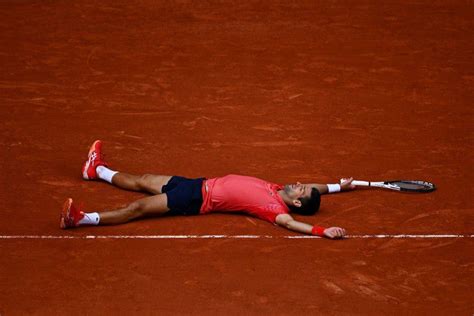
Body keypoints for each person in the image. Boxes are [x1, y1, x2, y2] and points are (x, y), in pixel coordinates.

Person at [60, 140, 356, 239]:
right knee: (142, 179)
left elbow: (291, 223)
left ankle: (82, 219)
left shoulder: (274, 209)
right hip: (195, 183)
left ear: (299, 203)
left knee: (136, 209)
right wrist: (339, 187)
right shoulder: (278, 189)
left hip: (193, 199)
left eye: (301, 190)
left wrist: (321, 230)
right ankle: (96, 170)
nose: (300, 184)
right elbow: (317, 189)